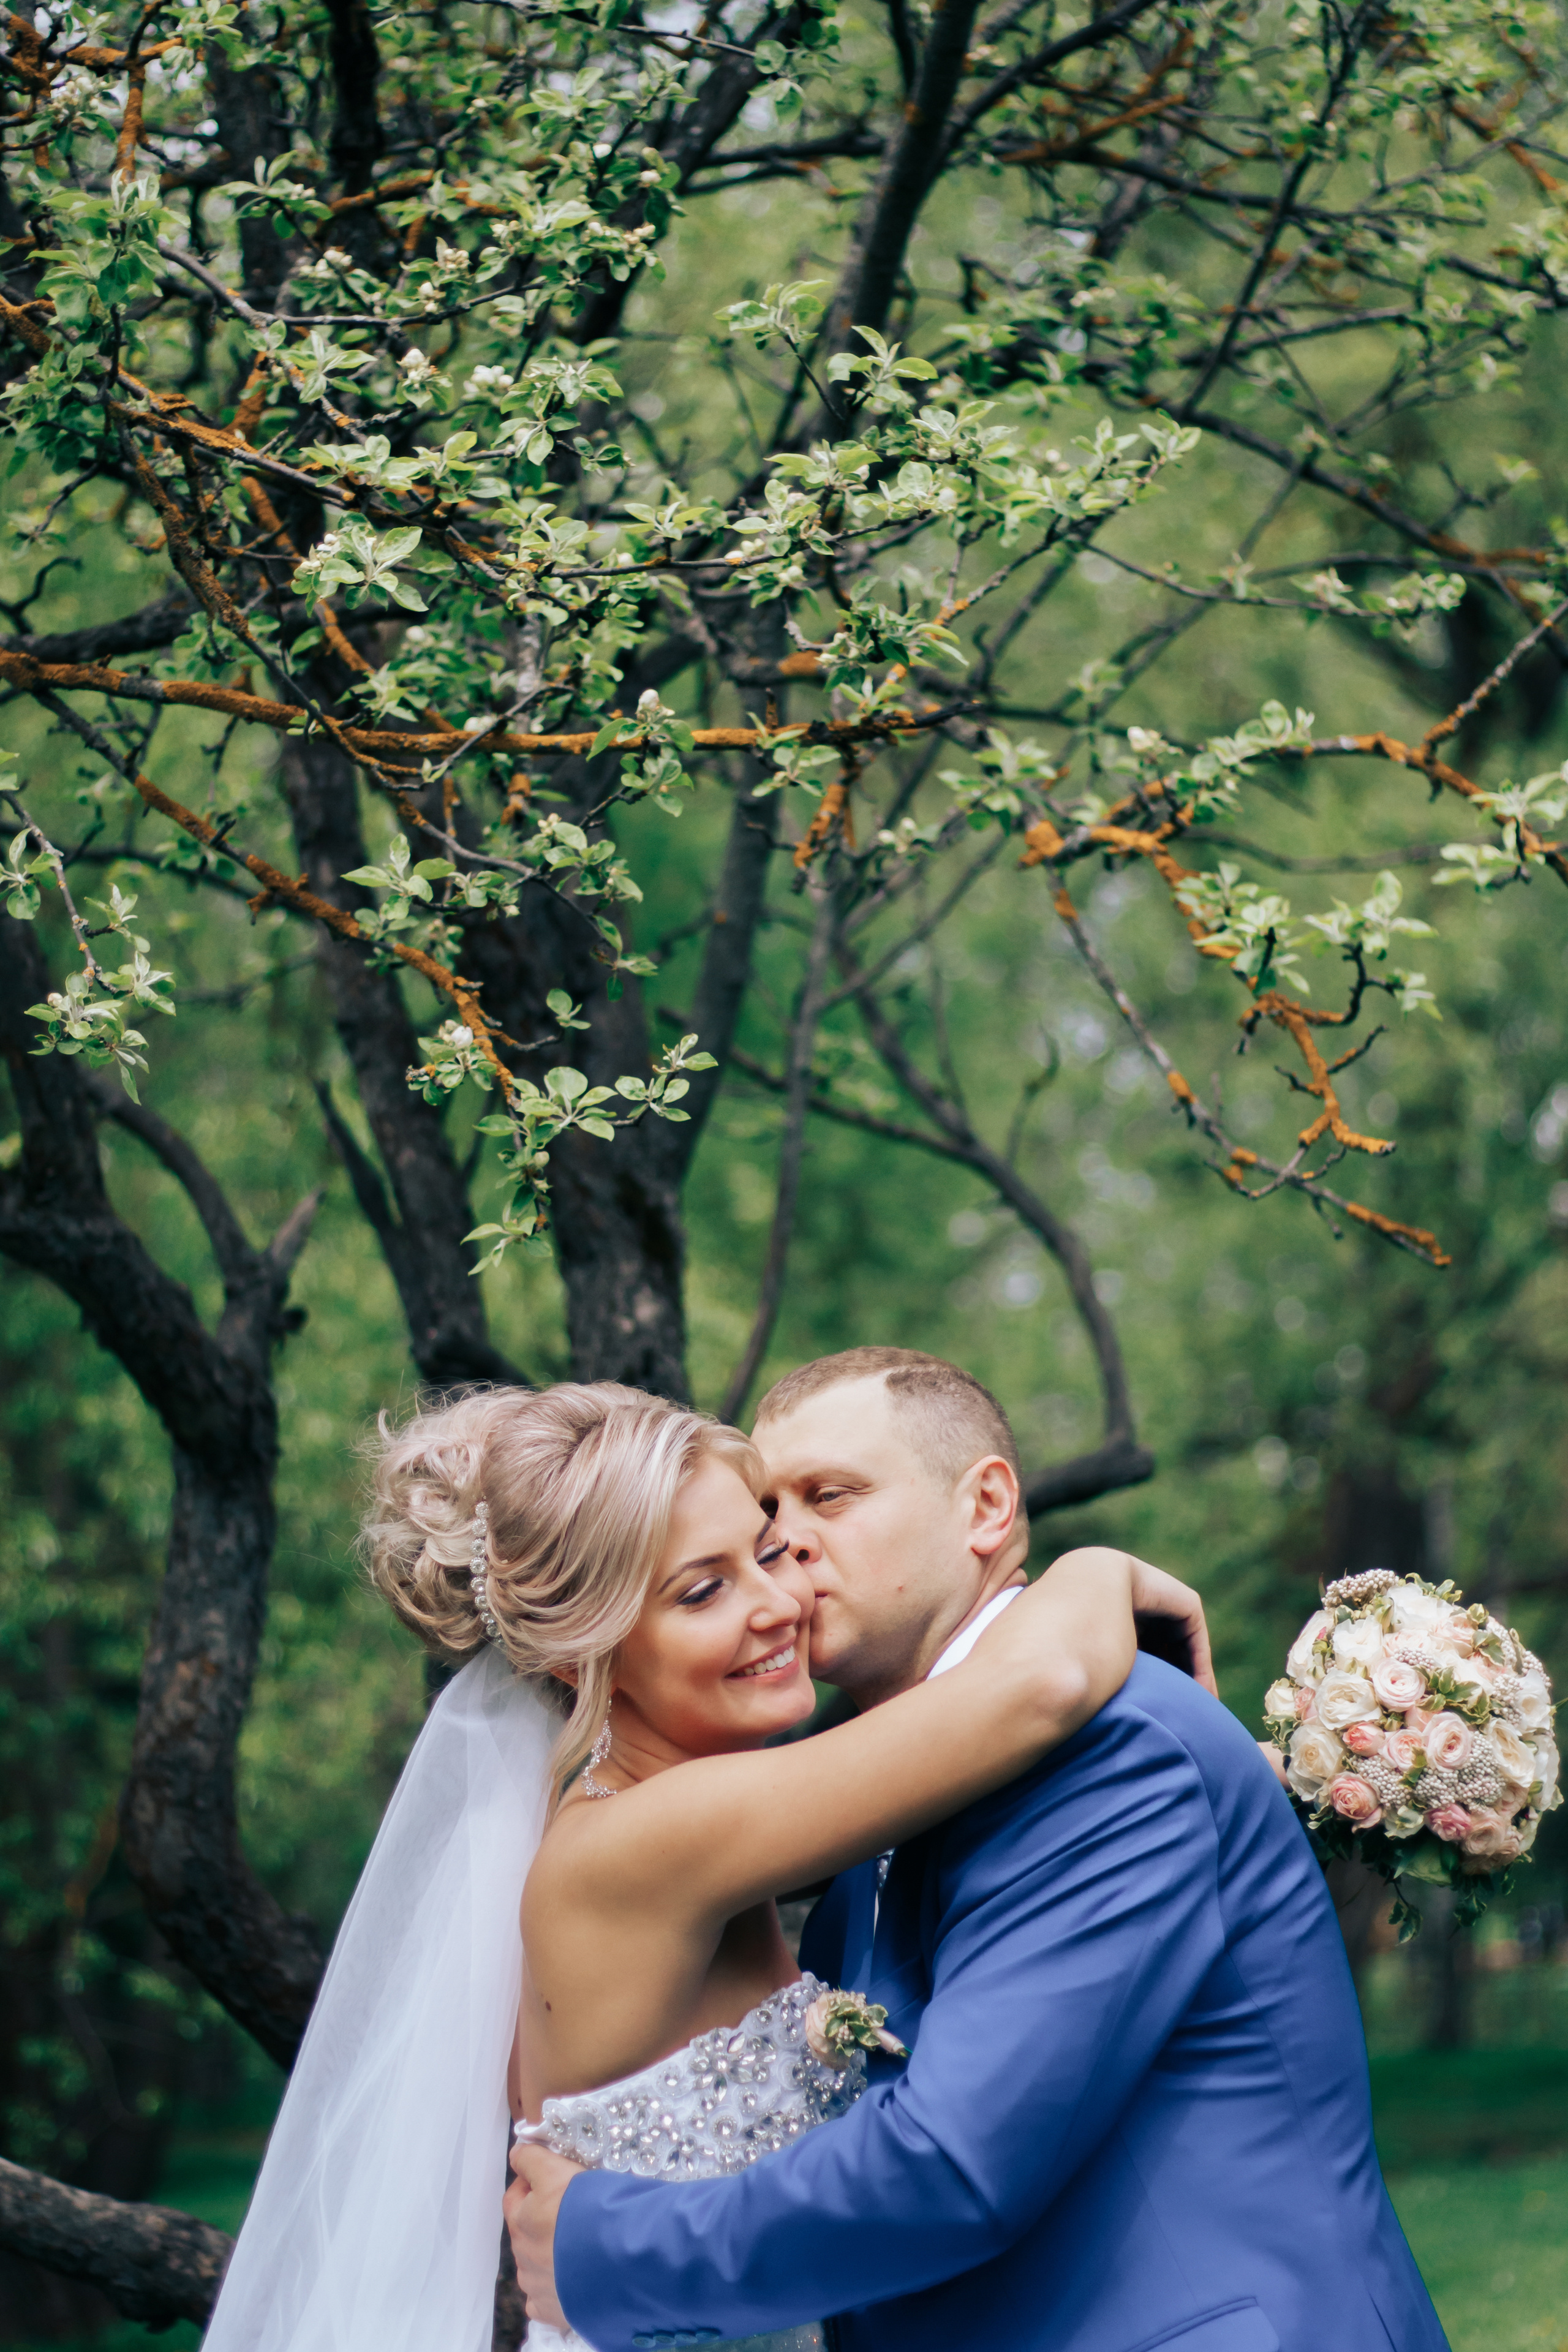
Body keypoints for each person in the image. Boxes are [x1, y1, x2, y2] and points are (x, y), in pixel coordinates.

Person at [198, 1375, 1206, 2352]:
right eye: (704, 1590)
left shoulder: (669, 1827)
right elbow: (1048, 1683)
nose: (780, 1604)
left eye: (770, 1553)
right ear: (578, 1655)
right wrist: (1100, 1571)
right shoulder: (654, 1841)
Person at [508, 1348, 1450, 2352]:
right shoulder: (840, 1847)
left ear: (988, 1508)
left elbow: (951, 2168)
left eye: (831, 1496)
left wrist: (600, 2247)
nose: (789, 1561)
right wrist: (1098, 1573)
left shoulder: (1105, 1751)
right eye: (771, 1523)